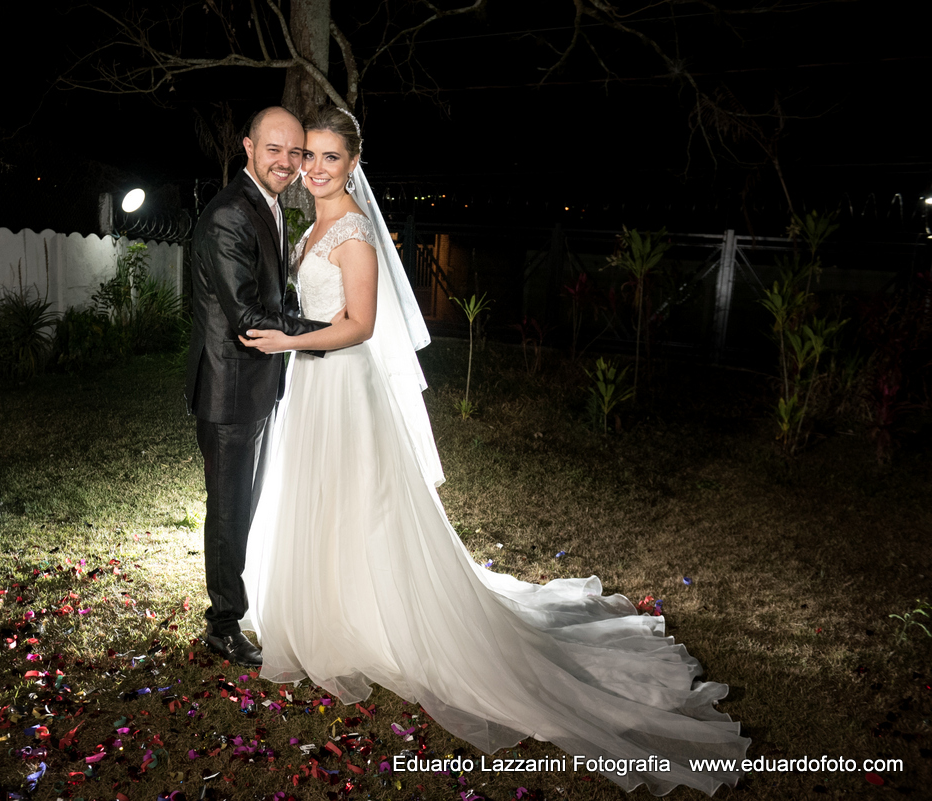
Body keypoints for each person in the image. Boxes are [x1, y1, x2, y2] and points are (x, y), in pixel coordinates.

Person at [236, 106, 751, 796]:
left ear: (355, 163)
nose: (317, 169)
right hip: (312, 389)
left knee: (360, 502)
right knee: (321, 500)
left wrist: (289, 342)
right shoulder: (310, 224)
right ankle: (324, 606)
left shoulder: (355, 231)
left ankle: (367, 616)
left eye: (331, 157)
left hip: (343, 385)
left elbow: (359, 327)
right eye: (310, 157)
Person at [184, 106, 332, 667]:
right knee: (228, 509)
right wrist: (330, 335)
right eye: (276, 150)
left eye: (296, 153)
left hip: (258, 384)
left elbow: (273, 299)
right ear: (248, 147)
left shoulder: (269, 206)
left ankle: (233, 608)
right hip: (228, 389)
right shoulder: (228, 215)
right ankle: (223, 625)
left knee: (243, 505)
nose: (288, 163)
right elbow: (248, 317)